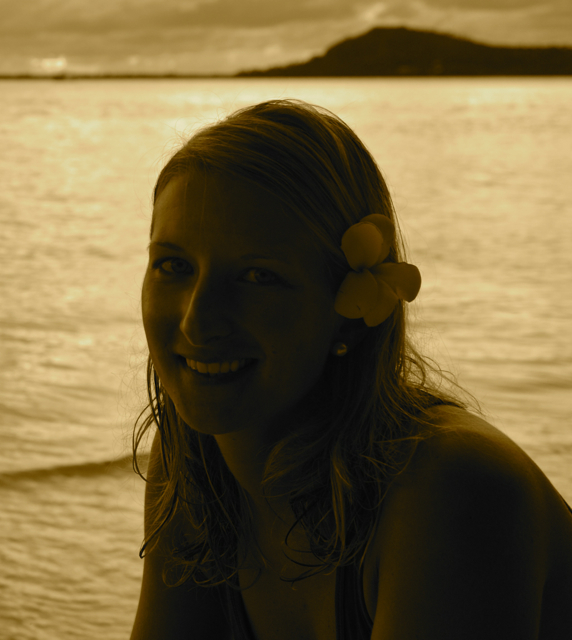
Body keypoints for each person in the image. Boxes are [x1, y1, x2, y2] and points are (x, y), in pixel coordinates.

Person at [130, 99, 572, 640]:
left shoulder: (450, 490)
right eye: (173, 265)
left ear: (350, 315)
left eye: (257, 277)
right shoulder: (194, 461)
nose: (197, 321)